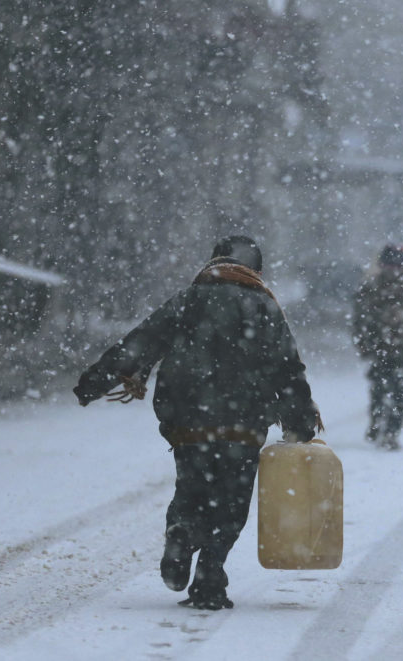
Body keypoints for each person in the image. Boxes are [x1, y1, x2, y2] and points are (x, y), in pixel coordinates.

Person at [73, 235, 321, 610]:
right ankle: (209, 579)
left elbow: (142, 341)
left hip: (188, 420)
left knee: (191, 489)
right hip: (242, 424)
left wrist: (95, 380)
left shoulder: (189, 300)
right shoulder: (263, 306)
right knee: (231, 503)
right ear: (256, 269)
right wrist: (300, 419)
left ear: (215, 261)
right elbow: (287, 368)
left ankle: (182, 533)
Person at [351, 243, 403, 450]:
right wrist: (364, 343)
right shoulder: (373, 287)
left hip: (400, 351)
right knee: (383, 391)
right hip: (383, 350)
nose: (393, 270)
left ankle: (389, 431)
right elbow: (359, 319)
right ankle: (380, 427)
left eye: (397, 266)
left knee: (397, 394)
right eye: (389, 265)